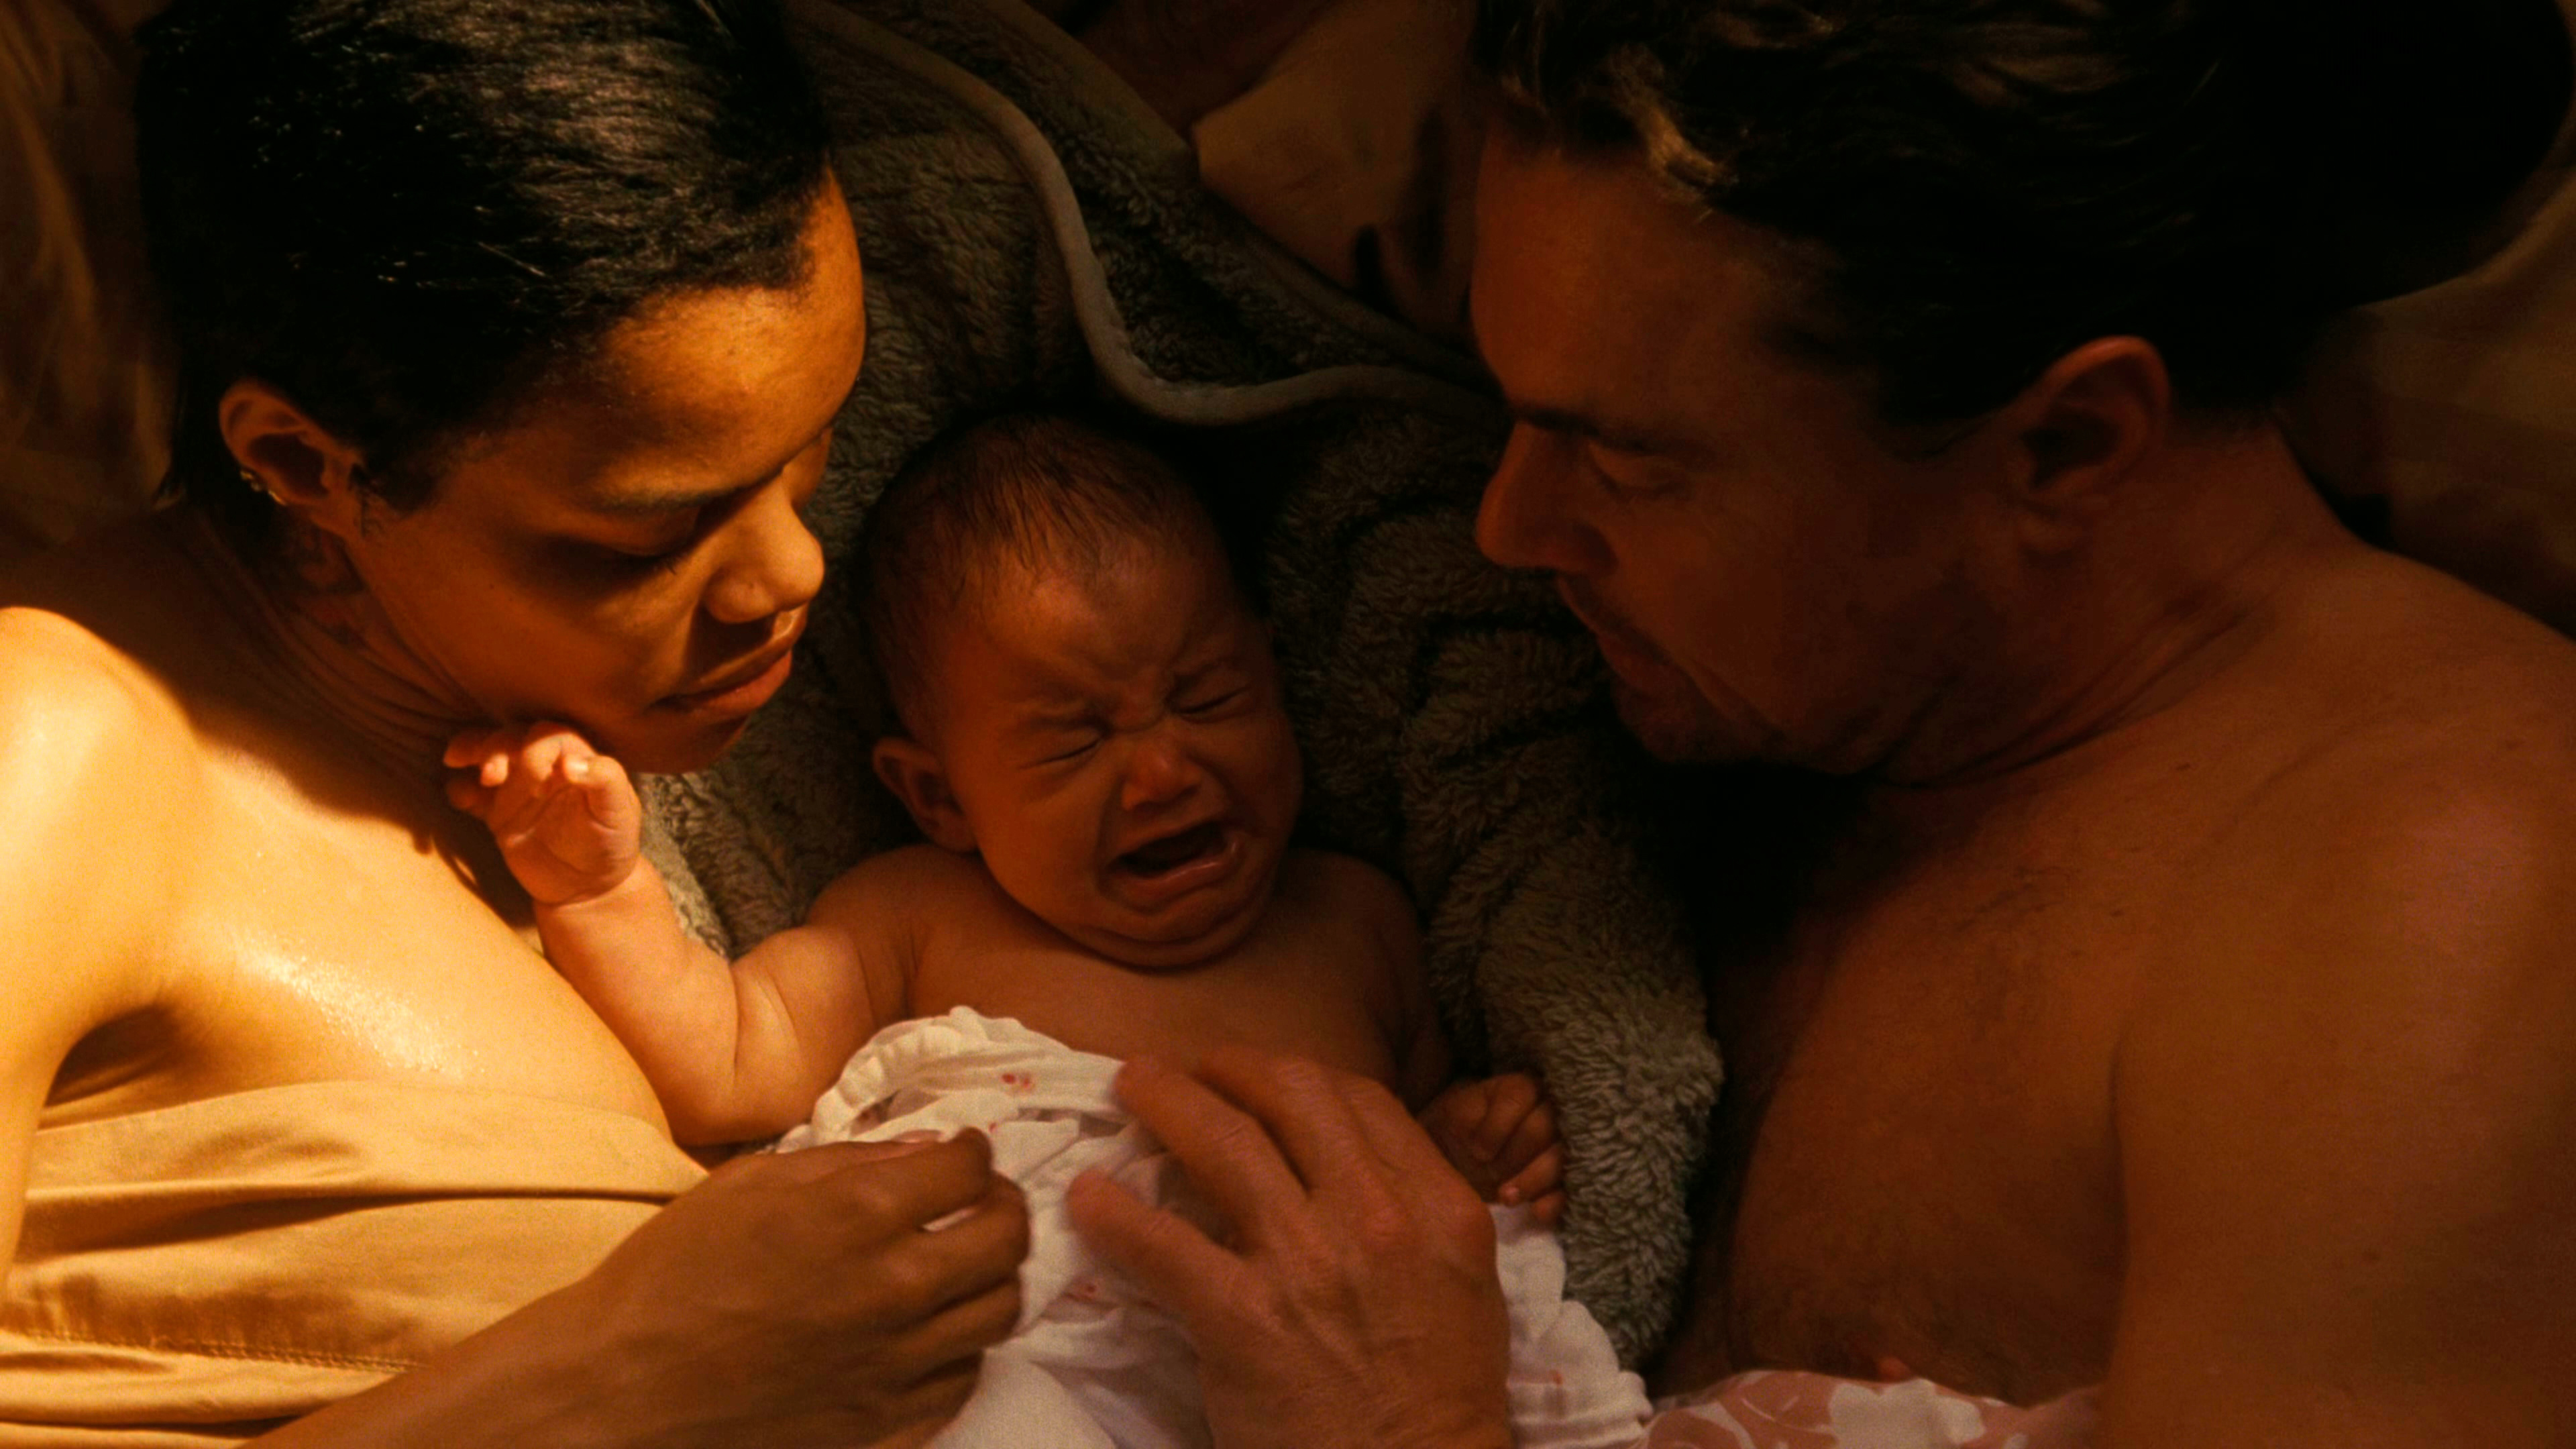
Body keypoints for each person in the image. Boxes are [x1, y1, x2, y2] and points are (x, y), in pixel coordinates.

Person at [1065, 0, 2576, 1444]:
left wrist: (1402, 1430)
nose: (1508, 529)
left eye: (1630, 466)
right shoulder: (1709, 722)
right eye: (1509, 407)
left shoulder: (2432, 900)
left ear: (2065, 444)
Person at [0, 1, 1032, 1444]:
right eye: (647, 536)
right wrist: (620, 1378)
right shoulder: (50, 740)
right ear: (304, 463)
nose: (790, 575)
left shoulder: (541, 804)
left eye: (813, 460)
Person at [444, 411, 1654, 1448]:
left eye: (1208, 696)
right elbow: (721, 1059)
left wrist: (1469, 1148)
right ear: (939, 798)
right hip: (1006, 1359)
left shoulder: (1355, 921)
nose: (1164, 769)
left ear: (1277, 674)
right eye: (1076, 743)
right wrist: (597, 892)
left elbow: (1395, 1181)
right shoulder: (918, 914)